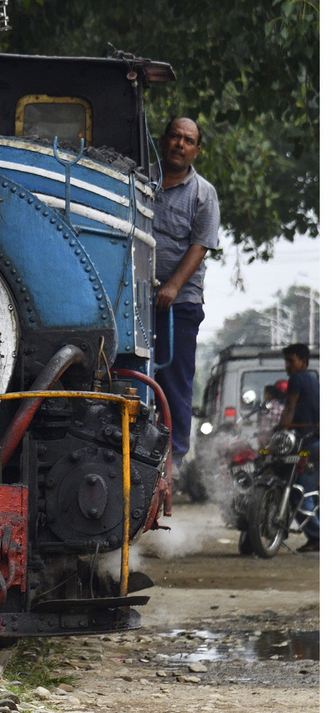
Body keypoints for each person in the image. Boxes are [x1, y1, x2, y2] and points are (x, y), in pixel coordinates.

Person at [151, 117, 220, 472]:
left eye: (188, 140)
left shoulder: (203, 193)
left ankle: (174, 458)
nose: (180, 144)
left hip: (180, 304)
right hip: (134, 300)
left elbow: (200, 244)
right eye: (175, 136)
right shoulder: (140, 181)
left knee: (175, 379)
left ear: (196, 149)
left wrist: (173, 286)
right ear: (164, 141)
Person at [276, 343, 319, 553]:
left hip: (307, 444)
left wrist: (281, 427)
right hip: (316, 440)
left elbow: (291, 407)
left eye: (291, 361)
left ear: (302, 361)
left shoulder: (296, 379)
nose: (288, 366)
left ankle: (317, 536)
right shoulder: (313, 378)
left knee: (300, 492)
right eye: (286, 361)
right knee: (307, 491)